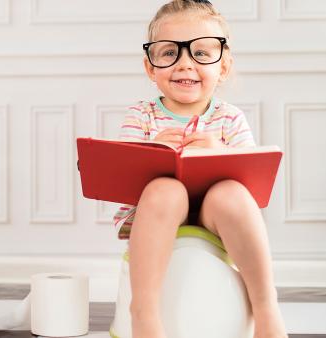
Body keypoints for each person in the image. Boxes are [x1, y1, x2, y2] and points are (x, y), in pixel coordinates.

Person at [112, 1, 287, 337]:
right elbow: (122, 182)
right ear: (151, 68)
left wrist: (219, 152)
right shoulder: (141, 115)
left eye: (202, 53)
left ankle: (265, 305)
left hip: (216, 215)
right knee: (166, 190)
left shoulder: (229, 118)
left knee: (231, 193)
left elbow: (252, 189)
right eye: (168, 54)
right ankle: (144, 311)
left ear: (223, 67)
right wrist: (153, 152)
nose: (185, 64)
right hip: (155, 211)